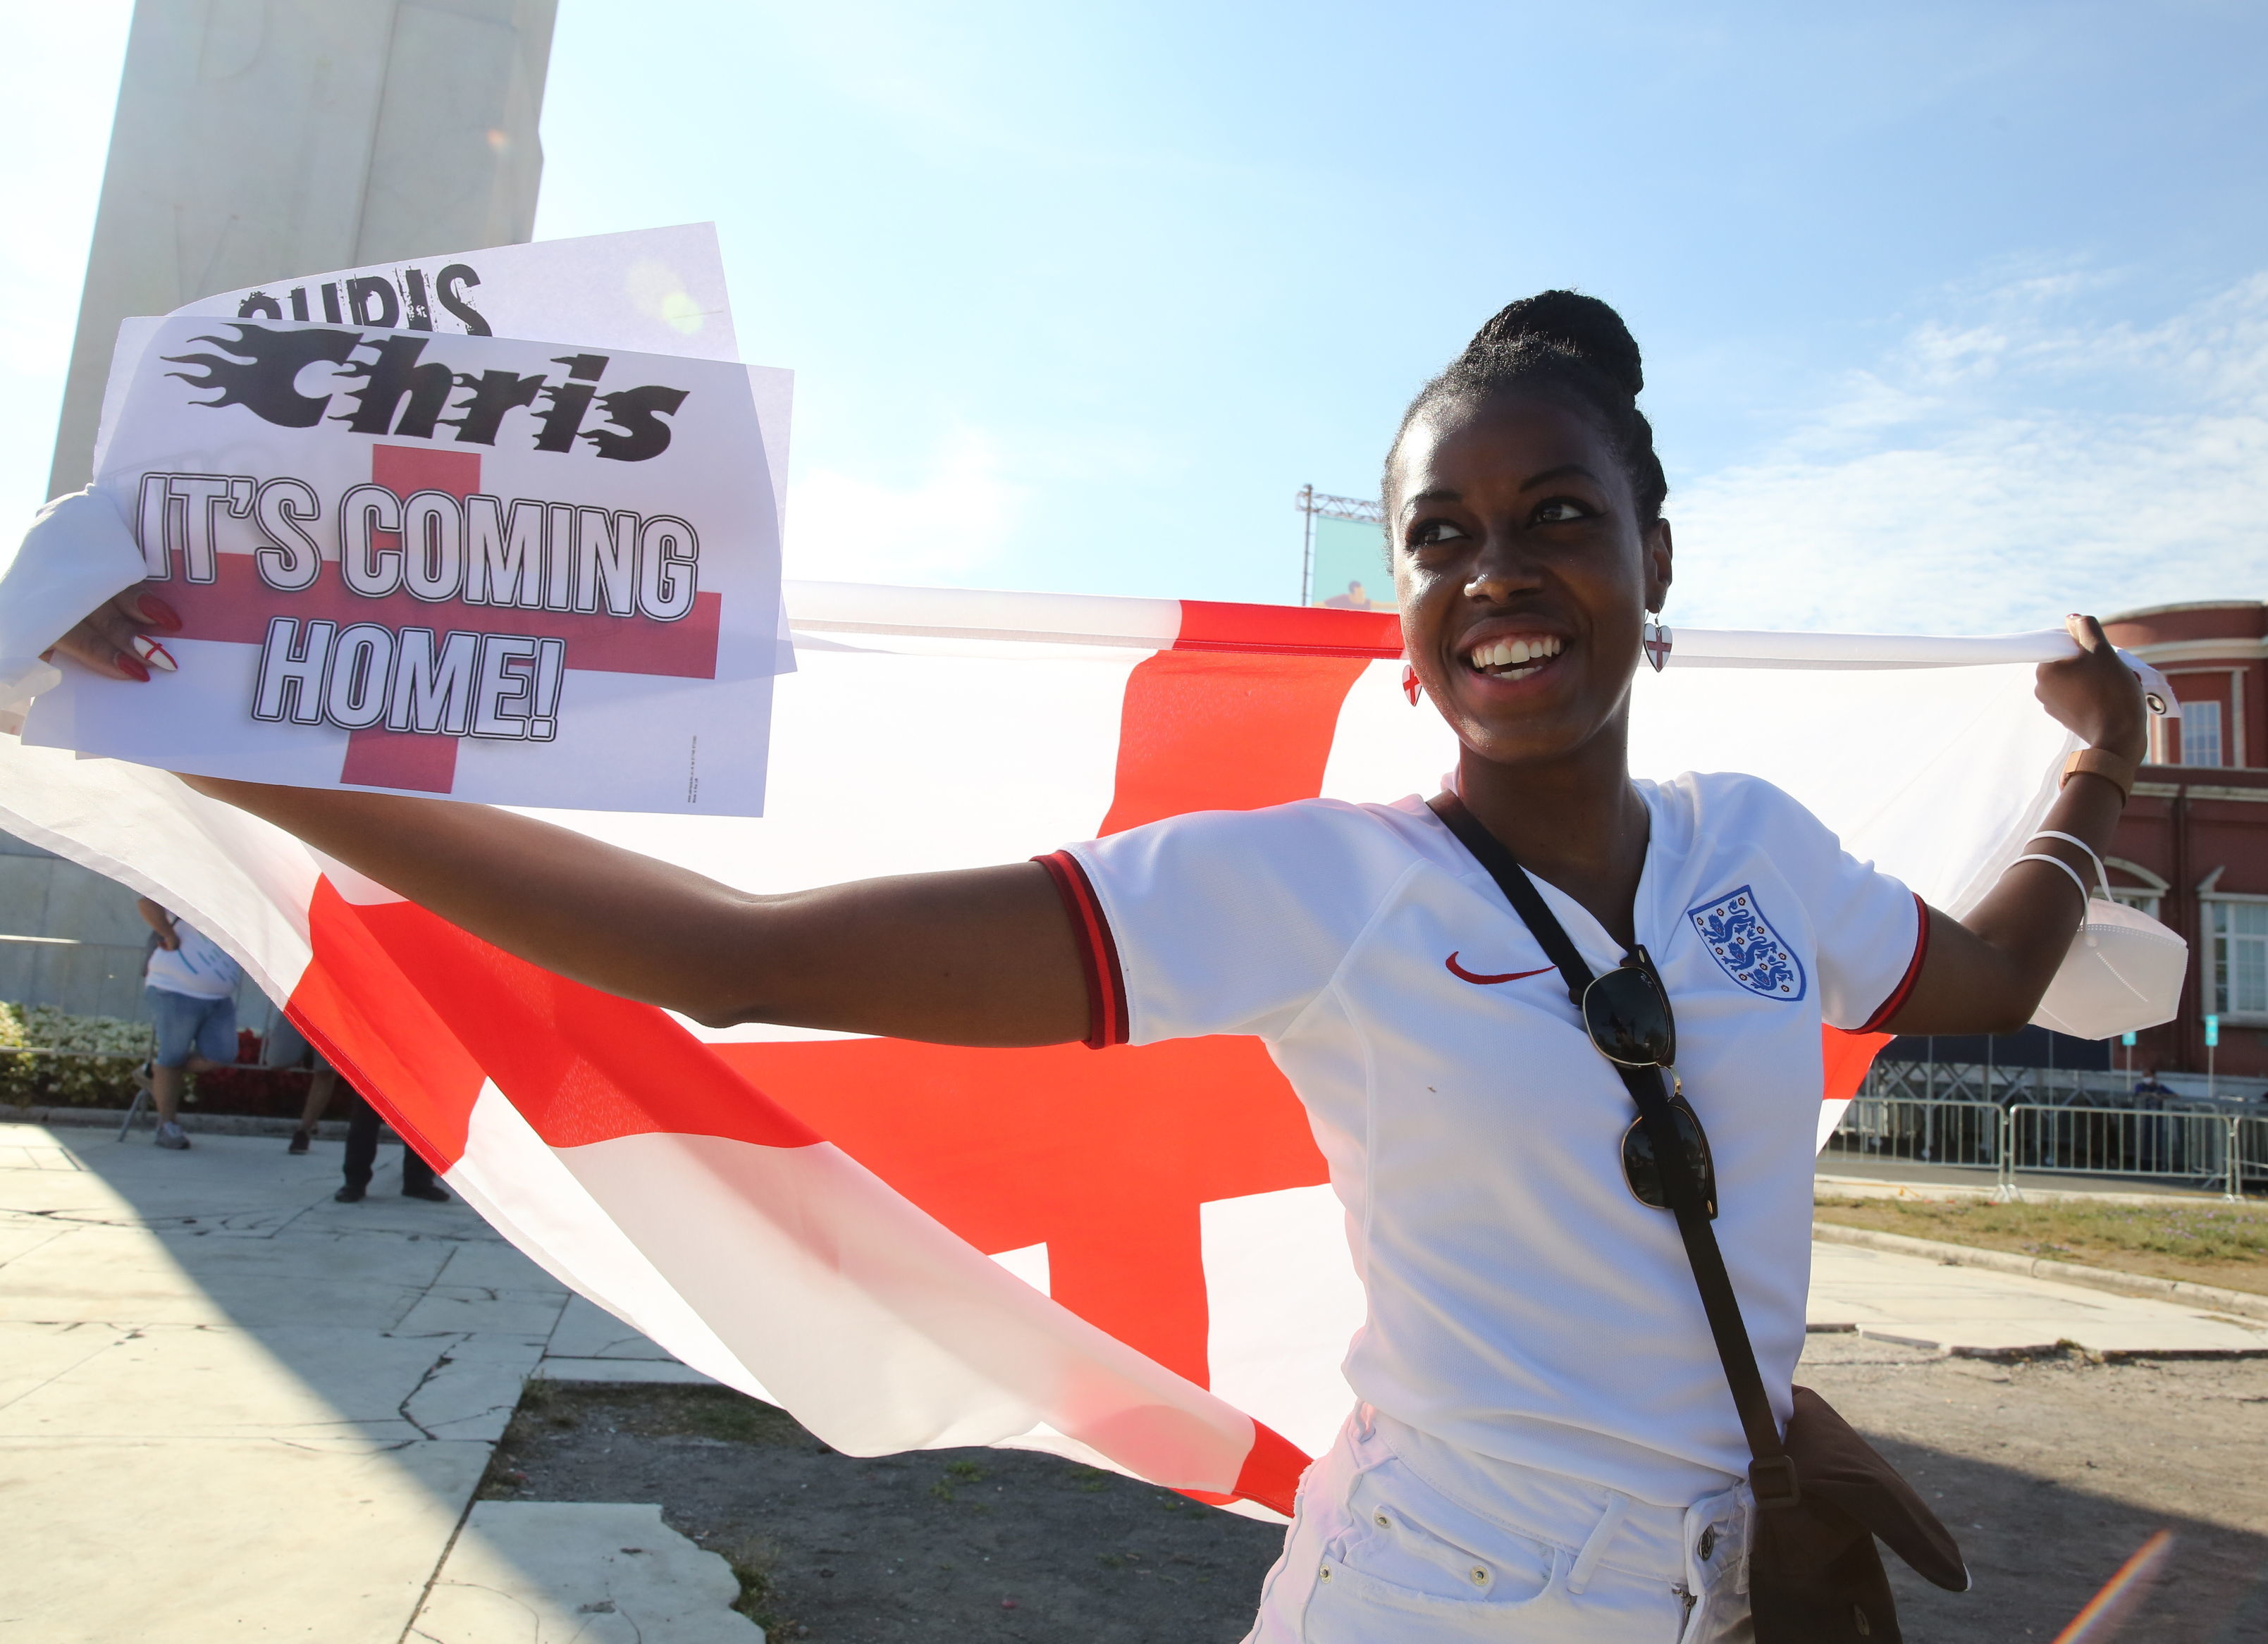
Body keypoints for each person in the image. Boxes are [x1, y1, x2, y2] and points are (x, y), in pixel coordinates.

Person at [44, 292, 2146, 1640]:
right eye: (1440, 538)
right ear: (1401, 606)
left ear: (1648, 559)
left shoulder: (1755, 852)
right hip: (1437, 1604)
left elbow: (1973, 973)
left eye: (1553, 518)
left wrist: (2100, 757)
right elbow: (727, 951)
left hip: (1720, 1605)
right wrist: (213, 739)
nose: (1497, 572)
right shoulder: (1313, 888)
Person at [135, 895, 241, 1150]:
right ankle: (167, 1125)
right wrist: (168, 934)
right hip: (175, 988)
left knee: (222, 1054)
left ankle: (154, 1072)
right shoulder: (192, 885)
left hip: (218, 996)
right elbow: (147, 902)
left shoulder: (240, 899)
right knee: (172, 1057)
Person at [288, 1042, 449, 1201]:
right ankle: (355, 1182)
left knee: (419, 1115)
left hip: (413, 1046)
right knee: (365, 1117)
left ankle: (417, 1181)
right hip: (378, 1048)